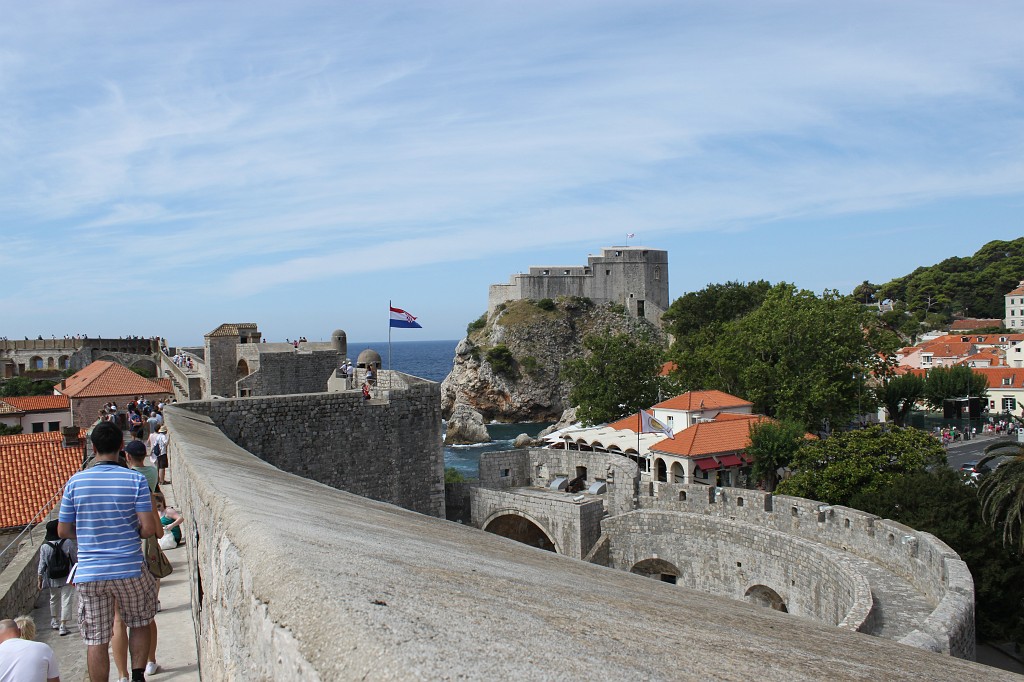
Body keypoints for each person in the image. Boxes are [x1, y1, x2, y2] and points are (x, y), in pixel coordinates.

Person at [58, 420, 159, 682]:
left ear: (93, 448)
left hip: (91, 573)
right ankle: (138, 676)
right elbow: (149, 528)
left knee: (96, 639)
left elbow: (63, 530)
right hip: (129, 567)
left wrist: (88, 535)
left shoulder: (74, 483)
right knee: (139, 622)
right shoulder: (135, 480)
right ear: (121, 446)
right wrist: (130, 532)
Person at [38, 520, 76, 636]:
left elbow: (42, 564)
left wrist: (39, 579)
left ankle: (54, 620)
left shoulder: (44, 547)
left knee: (53, 598)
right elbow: (74, 559)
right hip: (67, 576)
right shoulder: (67, 542)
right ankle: (63, 626)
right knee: (66, 599)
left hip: (52, 577)